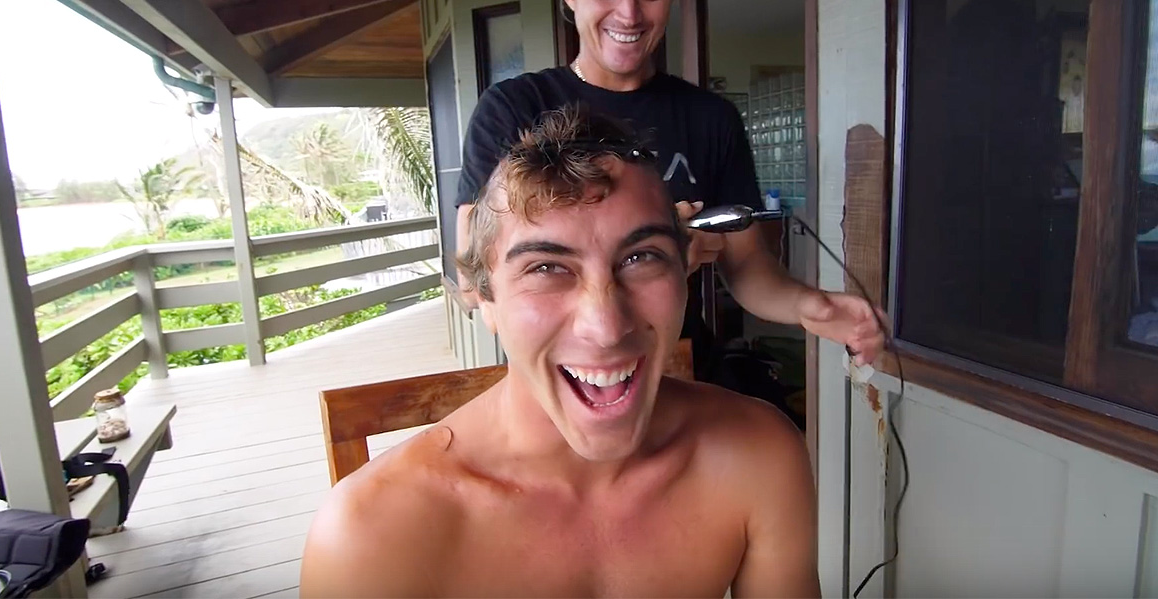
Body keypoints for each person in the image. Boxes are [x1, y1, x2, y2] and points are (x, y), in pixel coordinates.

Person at [300, 109, 819, 597]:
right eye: (546, 268)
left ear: (683, 273)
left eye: (641, 257)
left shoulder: (758, 456)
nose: (606, 327)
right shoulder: (374, 533)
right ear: (486, 298)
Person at [456, 0, 885, 371]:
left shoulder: (711, 118)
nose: (629, 13)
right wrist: (656, 250)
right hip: (562, 370)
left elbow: (748, 268)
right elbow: (475, 280)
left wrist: (811, 306)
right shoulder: (513, 109)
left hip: (676, 365)